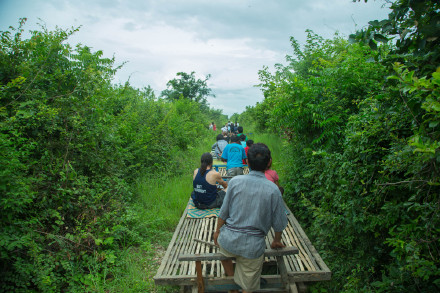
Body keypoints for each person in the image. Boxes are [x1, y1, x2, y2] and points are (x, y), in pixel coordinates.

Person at [214, 143, 288, 293]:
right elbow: (279, 223)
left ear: (247, 162)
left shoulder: (234, 182)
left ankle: (231, 279)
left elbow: (223, 212)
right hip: (252, 247)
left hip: (228, 241)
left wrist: (217, 232)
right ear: (269, 162)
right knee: (249, 284)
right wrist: (276, 240)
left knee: (223, 253)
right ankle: (242, 287)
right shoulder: (273, 190)